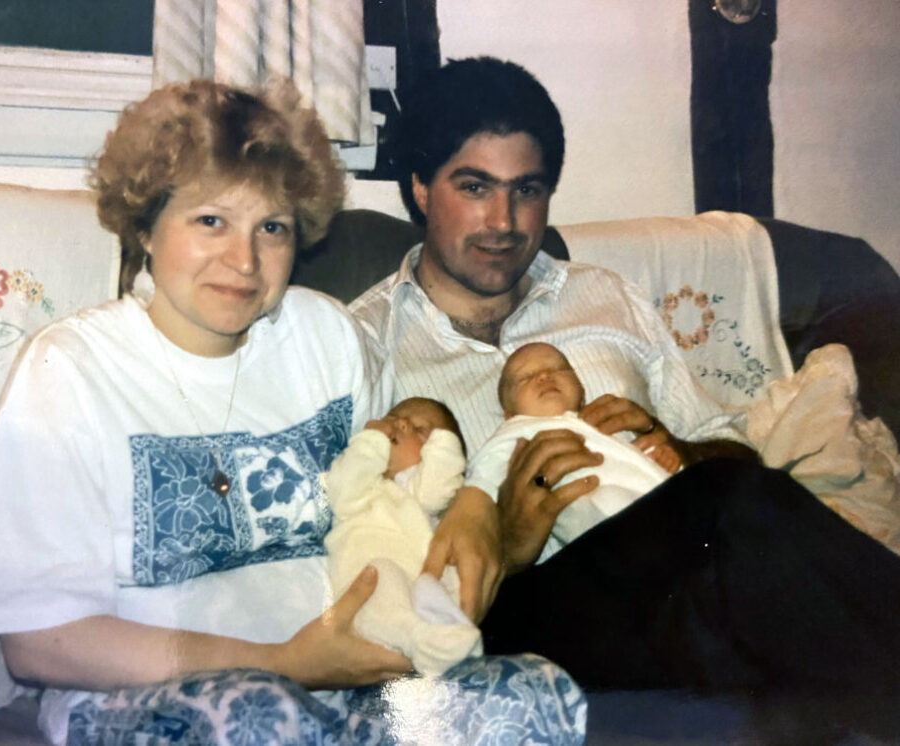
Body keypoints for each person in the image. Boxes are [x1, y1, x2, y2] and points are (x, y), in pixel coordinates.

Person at [0, 79, 586, 745]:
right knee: (263, 714)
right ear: (146, 225)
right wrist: (284, 665)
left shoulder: (327, 336)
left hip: (347, 692)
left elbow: (395, 496)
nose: (244, 260)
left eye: (271, 227)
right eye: (210, 221)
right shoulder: (69, 370)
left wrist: (472, 506)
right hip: (149, 704)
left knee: (533, 694)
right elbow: (40, 644)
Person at [349, 56, 900, 739]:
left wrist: (683, 447)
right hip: (509, 615)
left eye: (527, 189)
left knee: (734, 535)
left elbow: (734, 450)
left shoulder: (603, 297)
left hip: (672, 584)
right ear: (421, 189)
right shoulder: (361, 344)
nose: (504, 221)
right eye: (474, 187)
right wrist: (509, 543)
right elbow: (357, 547)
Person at [466, 342, 676, 561]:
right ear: (510, 415)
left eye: (559, 369)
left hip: (662, 506)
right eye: (525, 378)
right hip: (603, 520)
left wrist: (661, 460)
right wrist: (472, 504)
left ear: (583, 395)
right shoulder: (516, 432)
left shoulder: (600, 422)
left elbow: (628, 459)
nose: (544, 375)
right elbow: (484, 475)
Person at [324, 397, 482, 676]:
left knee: (456, 581)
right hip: (367, 591)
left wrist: (444, 440)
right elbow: (342, 487)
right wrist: (372, 439)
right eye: (393, 419)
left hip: (424, 585)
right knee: (380, 577)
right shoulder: (365, 489)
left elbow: (439, 486)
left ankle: (451, 634)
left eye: (420, 430)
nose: (401, 424)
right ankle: (419, 639)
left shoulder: (422, 491)